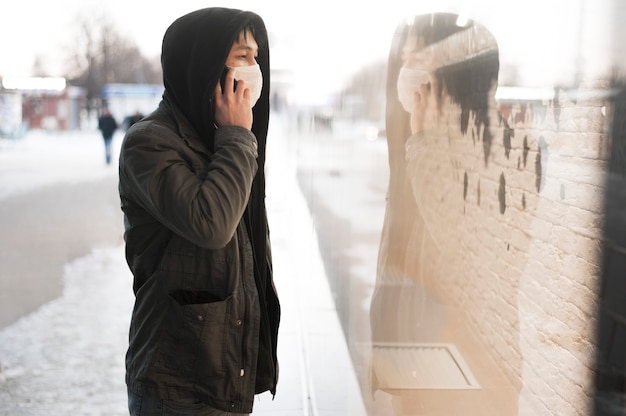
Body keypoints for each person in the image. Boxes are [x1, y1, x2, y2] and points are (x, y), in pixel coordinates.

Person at [118, 8, 280, 415]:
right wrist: (238, 136)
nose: (254, 68)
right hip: (175, 388)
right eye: (242, 56)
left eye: (256, 57)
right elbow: (212, 225)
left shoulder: (218, 139)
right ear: (204, 63)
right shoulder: (149, 144)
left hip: (225, 378)